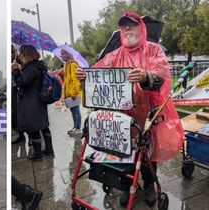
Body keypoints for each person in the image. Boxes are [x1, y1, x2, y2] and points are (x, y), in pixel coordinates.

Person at [75, 11, 184, 207]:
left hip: (147, 114)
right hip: (122, 116)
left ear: (140, 28)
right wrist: (84, 74)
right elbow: (98, 71)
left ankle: (149, 186)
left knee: (147, 153)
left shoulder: (153, 50)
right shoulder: (114, 55)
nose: (126, 29)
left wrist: (146, 76)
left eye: (131, 25)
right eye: (123, 26)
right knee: (123, 152)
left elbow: (162, 74)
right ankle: (127, 185)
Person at [12, 45, 54, 161]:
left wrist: (15, 71)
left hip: (31, 102)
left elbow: (22, 83)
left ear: (27, 55)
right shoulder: (39, 66)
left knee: (34, 127)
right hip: (39, 100)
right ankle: (49, 150)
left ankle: (37, 154)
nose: (20, 56)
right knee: (44, 126)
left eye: (21, 54)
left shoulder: (31, 68)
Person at [61, 49, 82, 136]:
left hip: (73, 94)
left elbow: (76, 80)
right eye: (61, 54)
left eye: (63, 53)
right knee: (73, 111)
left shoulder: (73, 64)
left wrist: (73, 93)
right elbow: (67, 81)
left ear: (68, 54)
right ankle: (75, 127)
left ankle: (78, 128)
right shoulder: (66, 65)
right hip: (69, 93)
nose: (61, 56)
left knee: (76, 111)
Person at [11, 44, 26, 144]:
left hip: (20, 89)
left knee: (23, 113)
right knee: (15, 113)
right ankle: (20, 134)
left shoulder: (21, 63)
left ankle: (29, 135)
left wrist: (18, 69)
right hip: (12, 89)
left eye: (12, 52)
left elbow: (25, 78)